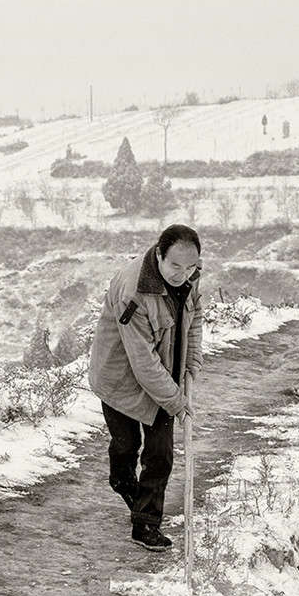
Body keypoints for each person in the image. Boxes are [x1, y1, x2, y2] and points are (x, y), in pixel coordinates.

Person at [88, 224, 202, 551]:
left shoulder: (191, 274)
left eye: (191, 266)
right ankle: (122, 480)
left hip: (163, 375)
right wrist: (177, 401)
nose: (183, 274)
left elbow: (195, 319)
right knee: (127, 445)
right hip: (119, 379)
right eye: (176, 266)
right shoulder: (134, 292)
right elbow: (142, 362)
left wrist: (191, 362)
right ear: (159, 255)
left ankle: (145, 526)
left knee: (160, 454)